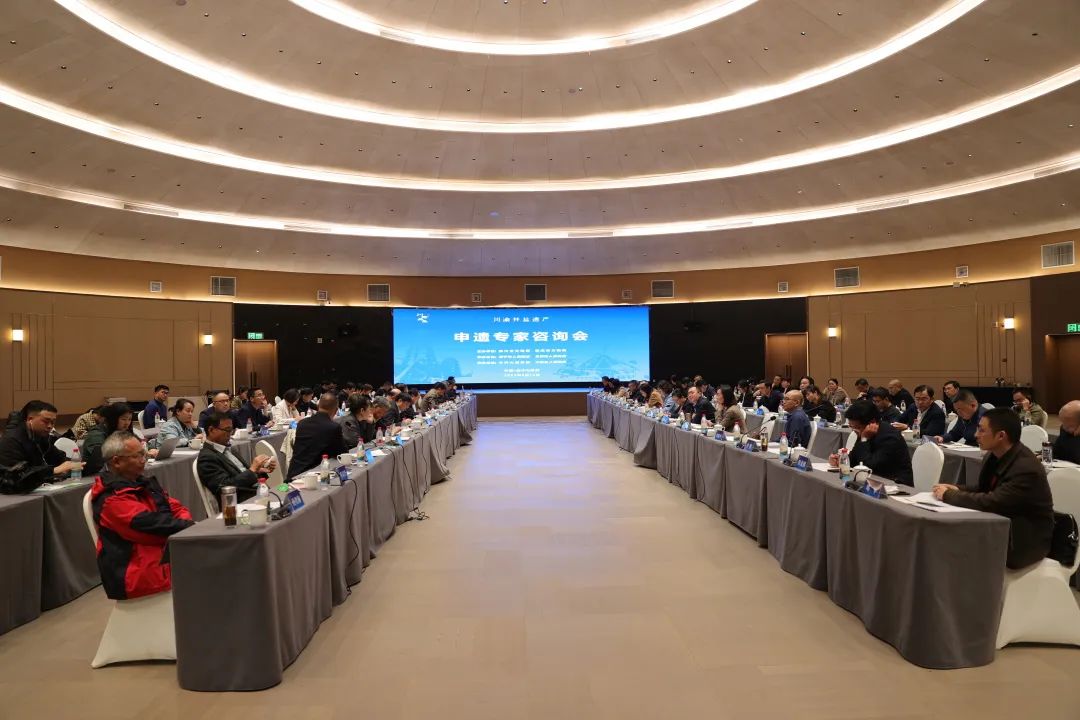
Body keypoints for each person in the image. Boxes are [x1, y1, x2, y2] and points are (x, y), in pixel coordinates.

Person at [933, 408, 1054, 569]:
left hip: (1024, 540)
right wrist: (957, 488)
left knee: (955, 542)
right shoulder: (994, 455)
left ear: (1001, 436)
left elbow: (993, 501)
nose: (976, 435)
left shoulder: (1026, 468)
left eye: (982, 430)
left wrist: (949, 495)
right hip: (1002, 526)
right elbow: (985, 489)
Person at [90, 432, 194, 600]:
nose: (143, 459)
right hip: (138, 574)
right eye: (137, 456)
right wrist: (189, 527)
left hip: (162, 558)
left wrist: (185, 524)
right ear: (116, 461)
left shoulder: (141, 482)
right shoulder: (110, 499)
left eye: (144, 454)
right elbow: (151, 529)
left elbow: (176, 507)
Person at [196, 412, 276, 503]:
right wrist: (252, 470)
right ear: (211, 430)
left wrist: (258, 470)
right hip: (241, 502)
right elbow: (224, 487)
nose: (230, 434)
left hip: (256, 493)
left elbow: (241, 474)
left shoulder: (228, 449)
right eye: (227, 430)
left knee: (286, 492)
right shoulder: (206, 457)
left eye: (231, 430)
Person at [828, 400, 913, 485]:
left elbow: (869, 467)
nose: (854, 431)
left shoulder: (890, 437)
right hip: (875, 481)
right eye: (852, 427)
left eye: (857, 427)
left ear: (872, 422)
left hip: (896, 485)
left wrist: (864, 439)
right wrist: (841, 461)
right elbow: (855, 460)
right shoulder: (865, 431)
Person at [0, 400, 78, 481]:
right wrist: (53, 471)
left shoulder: (41, 436)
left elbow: (58, 458)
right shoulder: (11, 440)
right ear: (30, 419)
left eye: (53, 422)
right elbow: (15, 476)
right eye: (46, 421)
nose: (50, 426)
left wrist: (75, 465)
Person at [288, 394, 348, 479]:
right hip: (313, 476)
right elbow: (342, 454)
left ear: (318, 406)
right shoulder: (333, 427)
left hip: (294, 473)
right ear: (336, 410)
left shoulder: (302, 423)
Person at [82, 403, 137, 476]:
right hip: (93, 475)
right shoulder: (96, 435)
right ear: (113, 419)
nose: (127, 423)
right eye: (123, 419)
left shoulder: (121, 431)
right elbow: (99, 460)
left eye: (129, 419)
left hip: (112, 473)